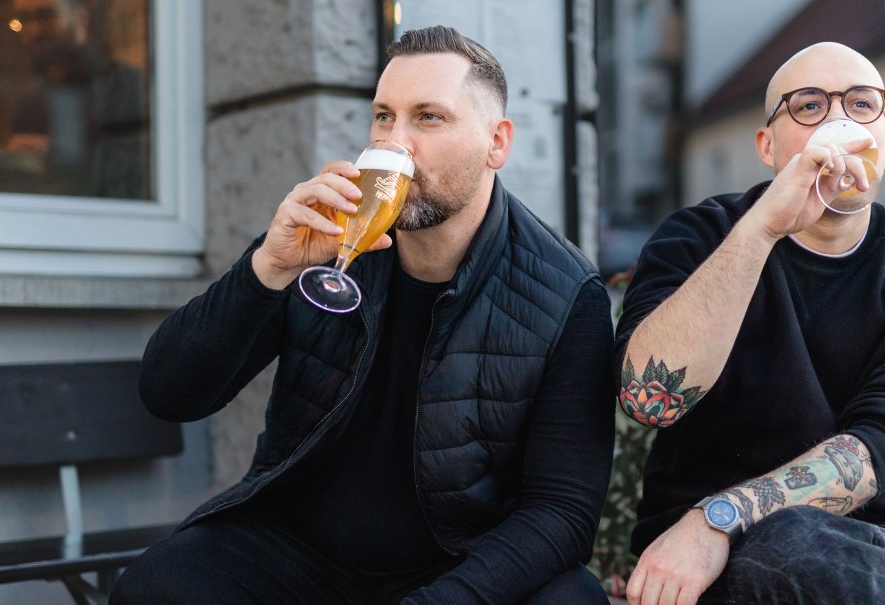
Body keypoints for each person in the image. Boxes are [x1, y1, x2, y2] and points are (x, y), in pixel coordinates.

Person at [112, 26, 615, 605]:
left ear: (496, 143)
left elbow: (562, 513)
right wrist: (267, 268)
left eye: (427, 118)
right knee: (159, 587)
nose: (394, 144)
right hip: (297, 550)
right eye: (383, 117)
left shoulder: (563, 292)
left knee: (572, 600)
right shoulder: (324, 238)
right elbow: (170, 393)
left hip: (454, 562)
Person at [613, 42, 885, 604]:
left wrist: (720, 518)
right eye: (809, 106)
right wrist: (762, 230)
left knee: (795, 536)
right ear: (768, 146)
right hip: (693, 559)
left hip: (860, 547)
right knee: (785, 538)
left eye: (862, 105)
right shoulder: (696, 237)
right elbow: (648, 402)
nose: (838, 121)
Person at [9, 0, 149, 198]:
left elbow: (144, 172)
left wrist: (55, 154)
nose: (34, 31)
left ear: (81, 17)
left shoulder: (134, 89)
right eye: (24, 19)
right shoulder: (30, 100)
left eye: (47, 16)